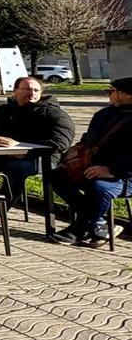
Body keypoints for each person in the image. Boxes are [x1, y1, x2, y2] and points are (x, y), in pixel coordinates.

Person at [0, 76, 74, 224]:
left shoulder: (54, 114)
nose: (31, 93)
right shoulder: (3, 110)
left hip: (40, 159)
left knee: (16, 169)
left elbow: (60, 142)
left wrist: (25, 152)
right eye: (26, 89)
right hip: (2, 154)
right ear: (15, 91)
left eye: (36, 90)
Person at [48, 77, 132, 247]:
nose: (108, 95)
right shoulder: (104, 114)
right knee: (55, 176)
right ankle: (99, 223)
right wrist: (74, 158)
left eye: (112, 91)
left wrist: (112, 170)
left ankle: (81, 229)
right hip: (92, 167)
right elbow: (88, 140)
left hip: (125, 176)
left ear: (129, 95)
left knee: (100, 187)